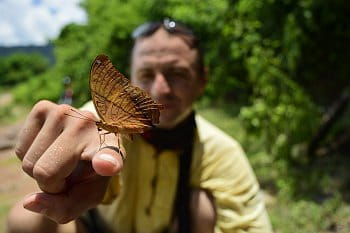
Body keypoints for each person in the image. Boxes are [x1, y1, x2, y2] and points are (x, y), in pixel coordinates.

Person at [6, 19, 273, 233]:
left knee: (202, 208)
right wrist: (60, 188)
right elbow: (86, 125)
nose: (160, 89)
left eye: (177, 74)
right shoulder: (90, 118)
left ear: (202, 80)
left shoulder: (221, 152)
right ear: (131, 79)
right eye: (146, 75)